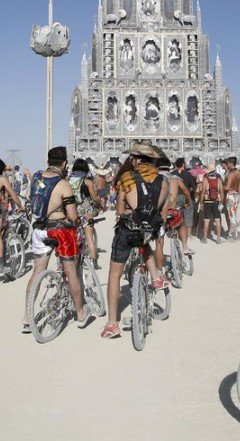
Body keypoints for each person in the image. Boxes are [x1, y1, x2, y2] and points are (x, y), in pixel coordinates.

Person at [100, 142, 169, 339]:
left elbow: (120, 211)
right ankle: (156, 277)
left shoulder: (127, 178)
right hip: (150, 230)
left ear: (137, 159)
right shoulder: (164, 181)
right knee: (144, 241)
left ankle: (112, 324)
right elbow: (162, 213)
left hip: (127, 230)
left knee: (114, 275)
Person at [23, 146, 91, 333]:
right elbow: (72, 215)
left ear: (47, 162)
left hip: (39, 230)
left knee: (37, 271)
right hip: (59, 231)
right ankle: (80, 312)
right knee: (70, 272)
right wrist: (77, 220)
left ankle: (27, 317)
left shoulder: (36, 178)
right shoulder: (63, 184)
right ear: (64, 163)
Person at [69, 159, 105, 268]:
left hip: (73, 209)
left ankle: (72, 259)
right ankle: (94, 262)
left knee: (74, 235)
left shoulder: (68, 179)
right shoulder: (87, 180)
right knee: (89, 236)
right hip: (86, 210)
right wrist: (100, 203)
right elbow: (94, 197)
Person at [167, 160, 194, 254]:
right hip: (179, 199)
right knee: (184, 219)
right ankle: (186, 245)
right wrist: (189, 201)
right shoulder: (176, 177)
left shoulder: (157, 178)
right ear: (183, 164)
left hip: (163, 207)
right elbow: (188, 190)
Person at [200, 163, 225, 244]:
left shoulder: (205, 177)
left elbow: (203, 191)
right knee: (217, 220)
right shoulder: (218, 178)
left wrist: (201, 203)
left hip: (207, 201)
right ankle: (218, 238)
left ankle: (204, 238)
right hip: (216, 201)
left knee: (206, 220)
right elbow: (221, 191)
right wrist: (221, 202)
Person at [224, 157, 240, 240]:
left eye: (227, 163)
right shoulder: (238, 173)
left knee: (231, 216)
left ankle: (232, 235)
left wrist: (220, 186)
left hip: (230, 195)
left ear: (231, 163)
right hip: (236, 195)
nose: (227, 165)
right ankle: (238, 233)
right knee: (234, 216)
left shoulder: (230, 174)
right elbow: (238, 187)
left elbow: (227, 187)